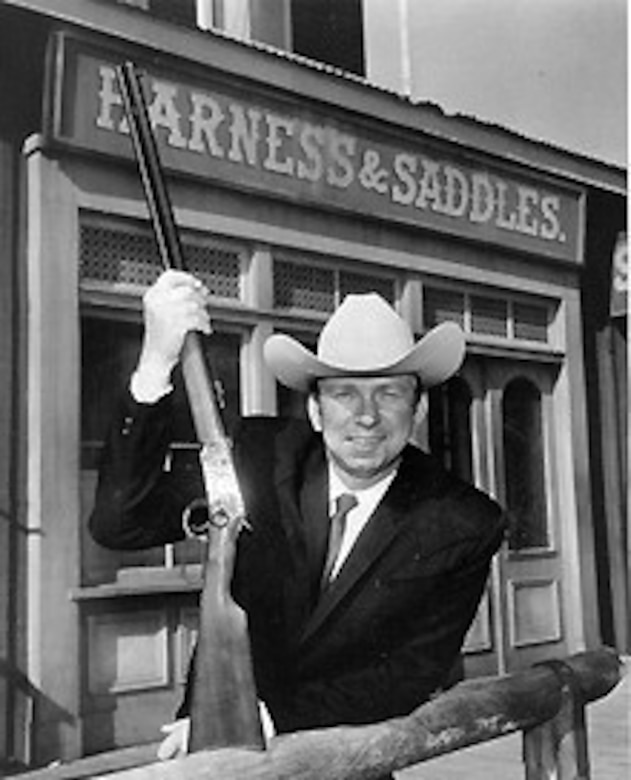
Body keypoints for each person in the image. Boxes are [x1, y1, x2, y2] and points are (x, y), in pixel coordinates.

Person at [89, 269, 506, 763]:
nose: (366, 416)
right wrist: (157, 361)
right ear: (314, 410)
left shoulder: (464, 521)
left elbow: (411, 674)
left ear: (417, 409)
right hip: (207, 747)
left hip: (343, 761)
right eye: (344, 393)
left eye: (389, 393)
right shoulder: (259, 457)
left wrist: (268, 718)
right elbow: (122, 522)